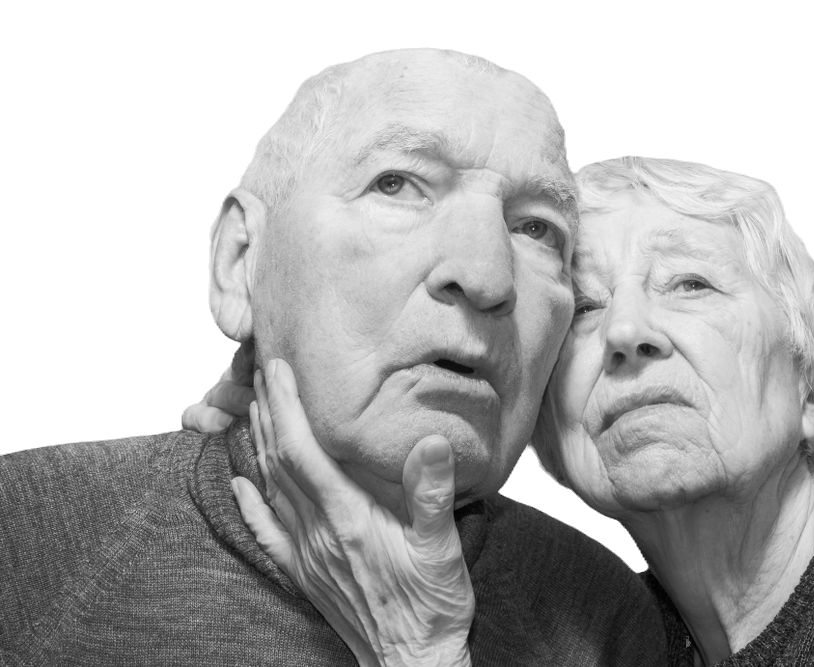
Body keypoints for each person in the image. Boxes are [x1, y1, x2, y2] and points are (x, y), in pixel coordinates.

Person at [0, 51, 672, 666]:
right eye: (397, 184)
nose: (486, 275)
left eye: (535, 228)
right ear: (241, 263)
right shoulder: (24, 531)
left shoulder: (603, 613)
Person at [191, 157, 814, 665]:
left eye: (690, 283)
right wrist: (293, 358)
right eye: (581, 308)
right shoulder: (596, 631)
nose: (625, 333)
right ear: (542, 425)